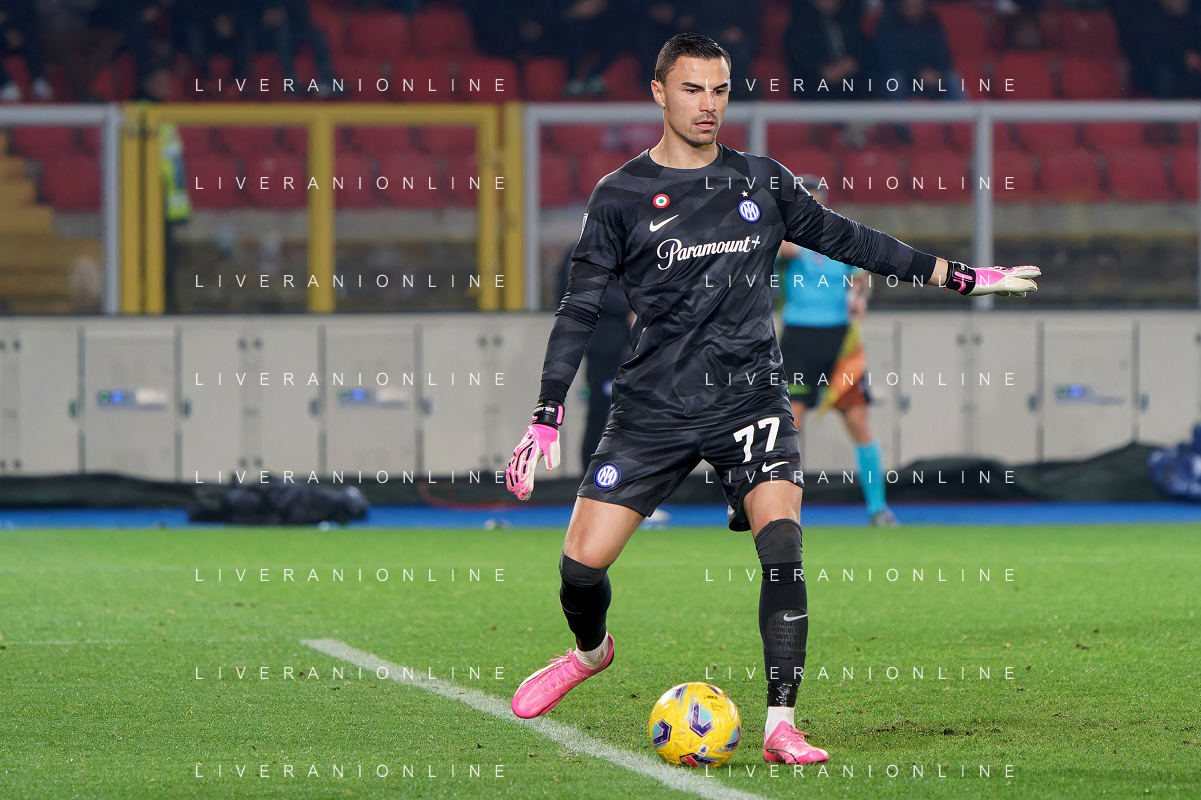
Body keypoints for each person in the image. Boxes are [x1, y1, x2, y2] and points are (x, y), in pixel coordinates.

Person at [503, 32, 1039, 765]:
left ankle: (779, 724)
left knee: (782, 548)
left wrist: (960, 276)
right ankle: (590, 653)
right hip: (653, 407)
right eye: (692, 88)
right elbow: (579, 308)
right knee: (580, 568)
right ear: (659, 93)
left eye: (720, 90)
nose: (708, 104)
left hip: (750, 399)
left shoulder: (761, 181)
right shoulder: (619, 195)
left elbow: (853, 242)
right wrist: (546, 413)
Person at [776, 178, 895, 527]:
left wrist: (860, 295)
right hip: (798, 339)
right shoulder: (783, 239)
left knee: (858, 420)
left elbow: (861, 279)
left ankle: (878, 509)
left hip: (840, 341)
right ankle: (780, 510)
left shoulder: (842, 239)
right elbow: (776, 251)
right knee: (790, 424)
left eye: (817, 203)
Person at [874, 0, 962, 101]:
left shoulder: (933, 23)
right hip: (905, 78)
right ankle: (897, 112)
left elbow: (943, 54)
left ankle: (959, 111)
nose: (913, 9)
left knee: (952, 79)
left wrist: (937, 72)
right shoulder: (887, 24)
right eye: (909, 6)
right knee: (894, 81)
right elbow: (887, 59)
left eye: (917, 6)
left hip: (930, 77)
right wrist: (917, 72)